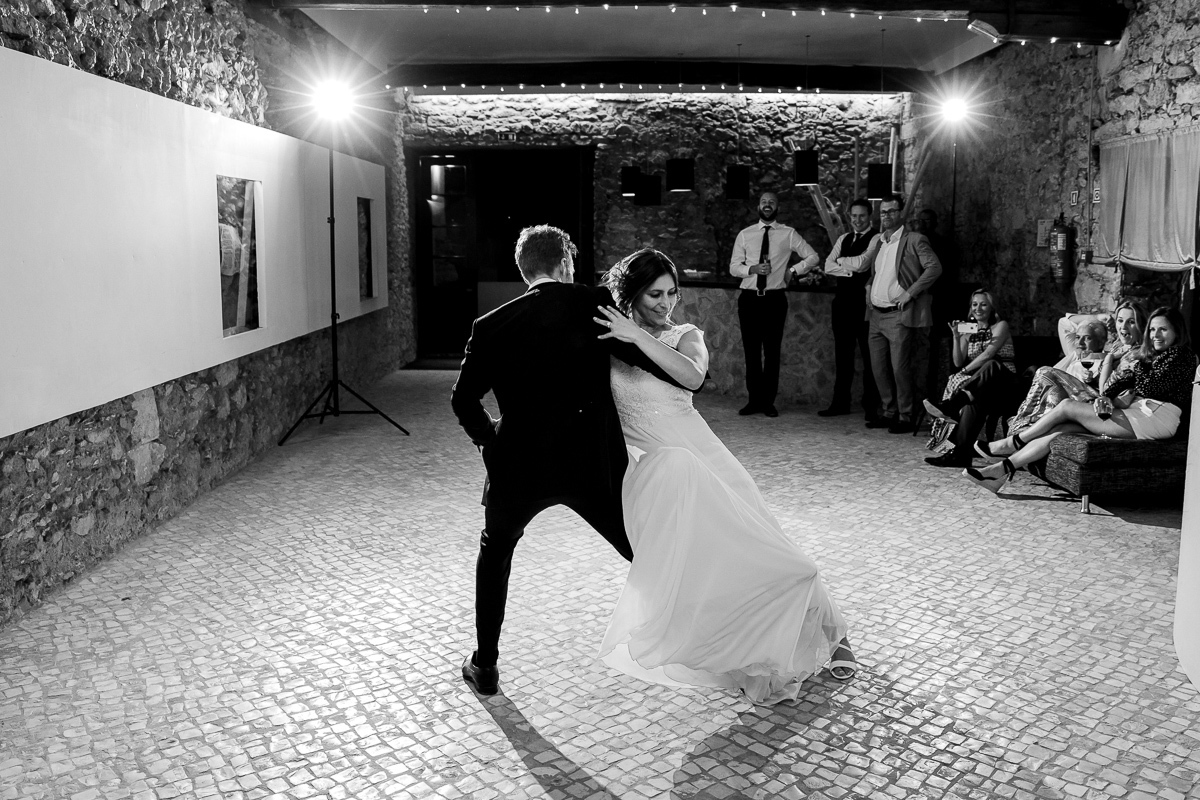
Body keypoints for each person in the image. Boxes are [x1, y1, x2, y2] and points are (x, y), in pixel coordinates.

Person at [593, 248, 856, 704]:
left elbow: (693, 377)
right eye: (655, 293)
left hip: (708, 460)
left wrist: (636, 334)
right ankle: (752, 651)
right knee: (720, 569)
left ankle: (834, 634)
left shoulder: (683, 334)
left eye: (672, 292)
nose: (666, 302)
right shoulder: (610, 346)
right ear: (632, 293)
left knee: (773, 551)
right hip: (668, 478)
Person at [450, 225, 692, 696]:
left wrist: (490, 445)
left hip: (519, 466)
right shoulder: (590, 303)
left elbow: (463, 401)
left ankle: (486, 667)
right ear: (564, 264)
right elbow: (645, 359)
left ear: (525, 270)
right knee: (646, 551)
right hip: (592, 464)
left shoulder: (491, 325)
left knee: (494, 553)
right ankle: (720, 640)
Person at [965, 306, 1195, 494]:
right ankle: (999, 472)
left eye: (1163, 330)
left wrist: (1131, 381)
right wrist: (1106, 397)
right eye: (1153, 330)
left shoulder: (1181, 354)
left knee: (1066, 407)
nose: (1156, 335)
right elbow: (1121, 382)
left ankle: (1013, 442)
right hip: (1139, 412)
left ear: (1177, 331)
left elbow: (1151, 386)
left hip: (1156, 416)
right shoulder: (1149, 356)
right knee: (1061, 430)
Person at [730, 191, 821, 418]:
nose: (767, 205)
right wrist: (751, 269)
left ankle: (768, 402)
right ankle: (753, 401)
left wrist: (793, 271)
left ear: (777, 206)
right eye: (764, 202)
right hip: (749, 299)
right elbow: (733, 267)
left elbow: (813, 257)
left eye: (771, 202)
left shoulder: (788, 234)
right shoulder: (745, 234)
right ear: (758, 206)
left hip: (774, 300)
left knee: (772, 353)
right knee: (751, 352)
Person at [1005, 302, 1146, 438]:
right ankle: (1024, 425)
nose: (1123, 327)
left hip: (1100, 403)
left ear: (1141, 324)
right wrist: (1098, 317)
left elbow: (1107, 392)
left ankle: (1020, 427)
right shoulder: (1118, 345)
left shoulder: (1136, 354)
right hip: (1090, 393)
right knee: (1045, 376)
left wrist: (1108, 360)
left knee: (1045, 372)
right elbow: (1064, 322)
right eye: (1120, 321)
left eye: (1131, 322)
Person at [865, 194, 943, 434]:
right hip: (875, 315)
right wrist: (868, 288)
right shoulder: (879, 242)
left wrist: (910, 293)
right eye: (883, 211)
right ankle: (889, 412)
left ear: (901, 213)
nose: (886, 215)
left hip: (898, 315)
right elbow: (876, 273)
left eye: (891, 211)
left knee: (900, 368)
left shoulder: (914, 239)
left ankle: (906, 414)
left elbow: (935, 268)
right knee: (878, 368)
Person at [921, 290, 1015, 467]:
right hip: (983, 387)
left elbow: (988, 355)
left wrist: (964, 371)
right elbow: (957, 361)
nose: (978, 308)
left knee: (992, 364)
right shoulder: (968, 331)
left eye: (983, 304)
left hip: (1004, 381)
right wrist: (956, 337)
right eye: (974, 304)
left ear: (992, 307)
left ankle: (953, 404)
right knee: (974, 401)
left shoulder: (1000, 326)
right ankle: (961, 455)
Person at [818, 198, 882, 420]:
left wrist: (841, 263)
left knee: (868, 356)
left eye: (861, 216)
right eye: (853, 216)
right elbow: (827, 265)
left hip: (863, 305)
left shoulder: (876, 238)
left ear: (870, 216)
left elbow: (864, 264)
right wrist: (848, 269)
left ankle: (871, 406)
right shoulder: (844, 238)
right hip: (842, 304)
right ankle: (840, 402)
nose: (857, 220)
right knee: (842, 356)